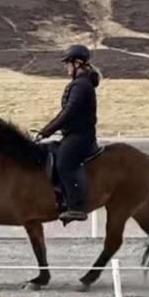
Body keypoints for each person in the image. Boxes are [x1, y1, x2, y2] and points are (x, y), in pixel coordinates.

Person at [37, 44, 101, 223]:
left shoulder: (81, 85)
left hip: (81, 136)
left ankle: (76, 207)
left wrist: (47, 130)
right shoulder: (80, 83)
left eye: (67, 63)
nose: (65, 67)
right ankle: (59, 197)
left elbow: (68, 112)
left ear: (78, 63)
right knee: (51, 153)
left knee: (64, 161)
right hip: (73, 134)